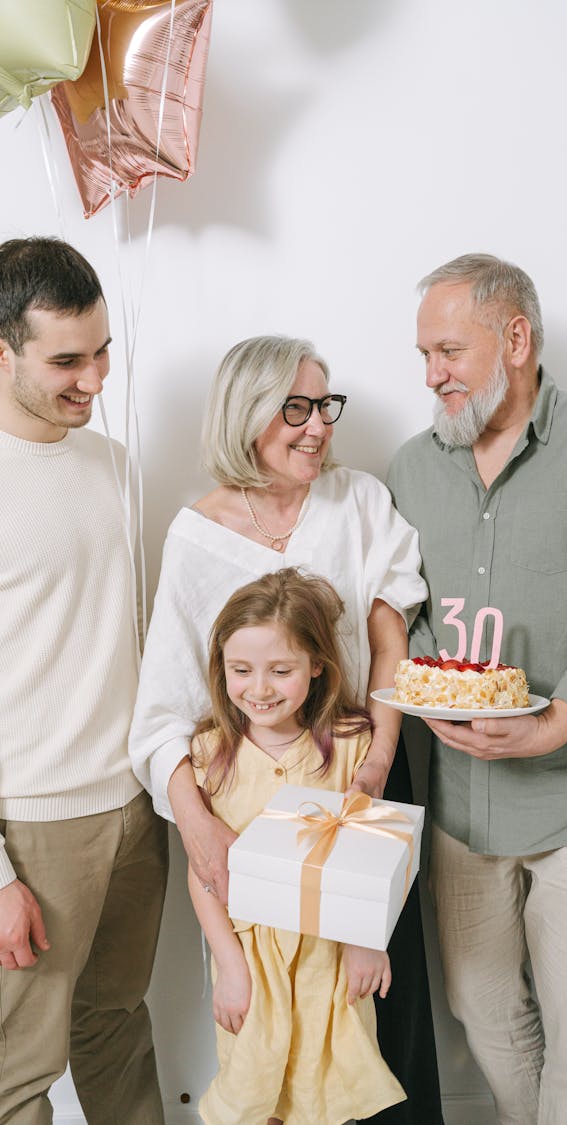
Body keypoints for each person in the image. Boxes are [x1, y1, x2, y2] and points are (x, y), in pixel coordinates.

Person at [129, 335, 444, 1123]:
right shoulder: (196, 535)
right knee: (268, 1012)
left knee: (375, 1005)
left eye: (324, 406)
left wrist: (378, 756)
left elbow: (387, 630)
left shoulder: (359, 499)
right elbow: (164, 707)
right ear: (246, 414)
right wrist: (200, 826)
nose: (316, 427)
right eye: (294, 408)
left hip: (355, 767)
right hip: (248, 790)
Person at [387, 253, 567, 1124]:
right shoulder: (411, 466)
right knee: (478, 1006)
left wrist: (554, 725)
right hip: (466, 797)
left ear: (515, 340)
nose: (433, 375)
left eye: (449, 351)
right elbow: (409, 613)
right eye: (424, 355)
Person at [0, 237, 168, 1122]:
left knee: (118, 1026)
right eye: (66, 360)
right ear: (0, 350)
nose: (95, 379)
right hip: (30, 827)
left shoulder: (113, 465)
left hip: (134, 809)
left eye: (103, 351)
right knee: (19, 1073)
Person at [190, 568, 407, 1123]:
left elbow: (373, 862)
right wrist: (229, 965)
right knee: (256, 1091)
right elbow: (204, 872)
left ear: (316, 666)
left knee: (330, 1093)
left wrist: (366, 941)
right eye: (241, 670)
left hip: (328, 958)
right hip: (251, 960)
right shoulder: (212, 753)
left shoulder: (353, 747)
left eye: (280, 670)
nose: (259, 689)